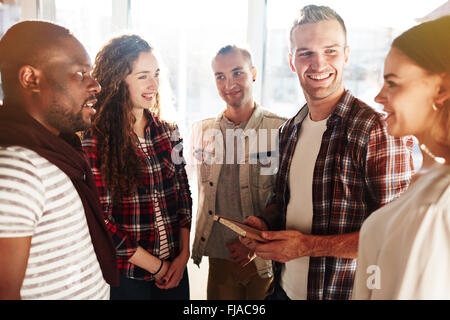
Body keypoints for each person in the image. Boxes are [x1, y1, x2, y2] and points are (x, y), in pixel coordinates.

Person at [240, 5, 415, 300]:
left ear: (346, 54)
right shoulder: (290, 129)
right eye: (305, 52)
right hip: (283, 290)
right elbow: (283, 202)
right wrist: (266, 224)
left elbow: (396, 235)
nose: (318, 63)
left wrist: (307, 246)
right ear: (292, 62)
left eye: (330, 51)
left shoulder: (376, 129)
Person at [0, 21, 118, 299]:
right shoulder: (17, 168)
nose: (96, 85)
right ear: (30, 79)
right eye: (80, 74)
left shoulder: (58, 148)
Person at [81, 34, 192, 300]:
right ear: (117, 81)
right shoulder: (93, 140)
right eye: (142, 76)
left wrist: (183, 255)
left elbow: (182, 196)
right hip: (128, 278)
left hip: (176, 269)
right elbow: (102, 220)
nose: (154, 84)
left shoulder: (169, 132)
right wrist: (157, 267)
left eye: (156, 74)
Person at [352, 16, 450, 300]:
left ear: (441, 89)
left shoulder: (440, 203)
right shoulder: (427, 181)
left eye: (392, 83)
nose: (379, 96)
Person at [191, 45, 286, 300]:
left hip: (265, 262)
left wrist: (255, 245)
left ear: (253, 73)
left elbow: (287, 199)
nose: (228, 83)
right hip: (220, 259)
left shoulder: (281, 130)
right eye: (220, 76)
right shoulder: (202, 132)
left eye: (237, 73)